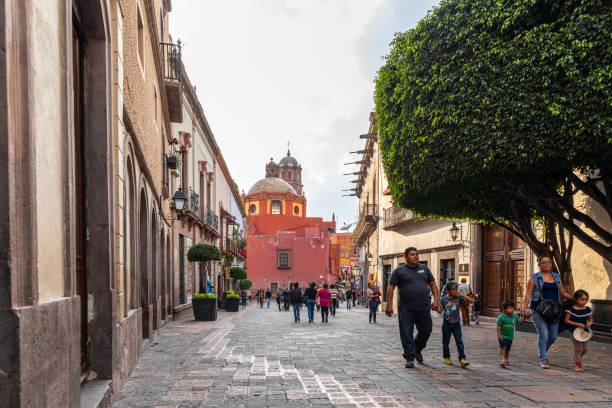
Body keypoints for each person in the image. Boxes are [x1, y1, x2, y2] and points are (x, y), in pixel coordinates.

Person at [385, 247, 439, 369]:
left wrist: (436, 301)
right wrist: (389, 304)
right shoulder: (399, 271)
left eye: (417, 254)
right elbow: (391, 288)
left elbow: (433, 285)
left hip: (423, 307)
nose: (416, 256)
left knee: (426, 330)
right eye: (412, 255)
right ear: (405, 257)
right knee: (406, 333)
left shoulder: (424, 269)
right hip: (406, 308)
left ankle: (417, 349)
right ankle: (410, 357)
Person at [523, 256, 573, 369]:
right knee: (544, 334)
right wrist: (525, 308)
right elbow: (528, 294)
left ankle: (542, 352)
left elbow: (563, 292)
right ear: (539, 264)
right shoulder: (534, 278)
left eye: (549, 262)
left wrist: (573, 299)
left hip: (553, 310)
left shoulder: (556, 276)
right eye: (544, 262)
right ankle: (543, 360)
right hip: (538, 309)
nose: (547, 264)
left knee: (553, 335)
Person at [438, 281, 473, 368]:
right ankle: (446, 357)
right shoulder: (444, 299)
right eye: (454, 290)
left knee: (459, 341)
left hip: (456, 324)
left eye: (456, 289)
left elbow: (472, 301)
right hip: (447, 323)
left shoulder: (459, 298)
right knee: (446, 342)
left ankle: (462, 359)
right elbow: (440, 310)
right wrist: (434, 307)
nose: (456, 291)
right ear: (448, 290)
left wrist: (462, 295)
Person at [564, 290, 593, 372]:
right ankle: (578, 365)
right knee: (579, 349)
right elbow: (567, 320)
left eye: (586, 300)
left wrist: (589, 323)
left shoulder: (587, 309)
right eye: (582, 299)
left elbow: (590, 319)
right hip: (574, 331)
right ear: (576, 299)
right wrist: (577, 324)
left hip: (584, 332)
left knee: (585, 349)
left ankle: (577, 357)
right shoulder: (571, 309)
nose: (584, 301)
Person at [497, 301, 523, 367]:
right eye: (509, 308)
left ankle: (506, 359)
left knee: (508, 349)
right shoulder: (501, 317)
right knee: (503, 347)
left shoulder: (514, 317)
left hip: (510, 337)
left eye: (513, 308)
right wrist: (499, 335)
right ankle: (502, 359)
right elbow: (498, 326)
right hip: (502, 336)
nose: (512, 310)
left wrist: (525, 317)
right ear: (505, 309)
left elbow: (520, 321)